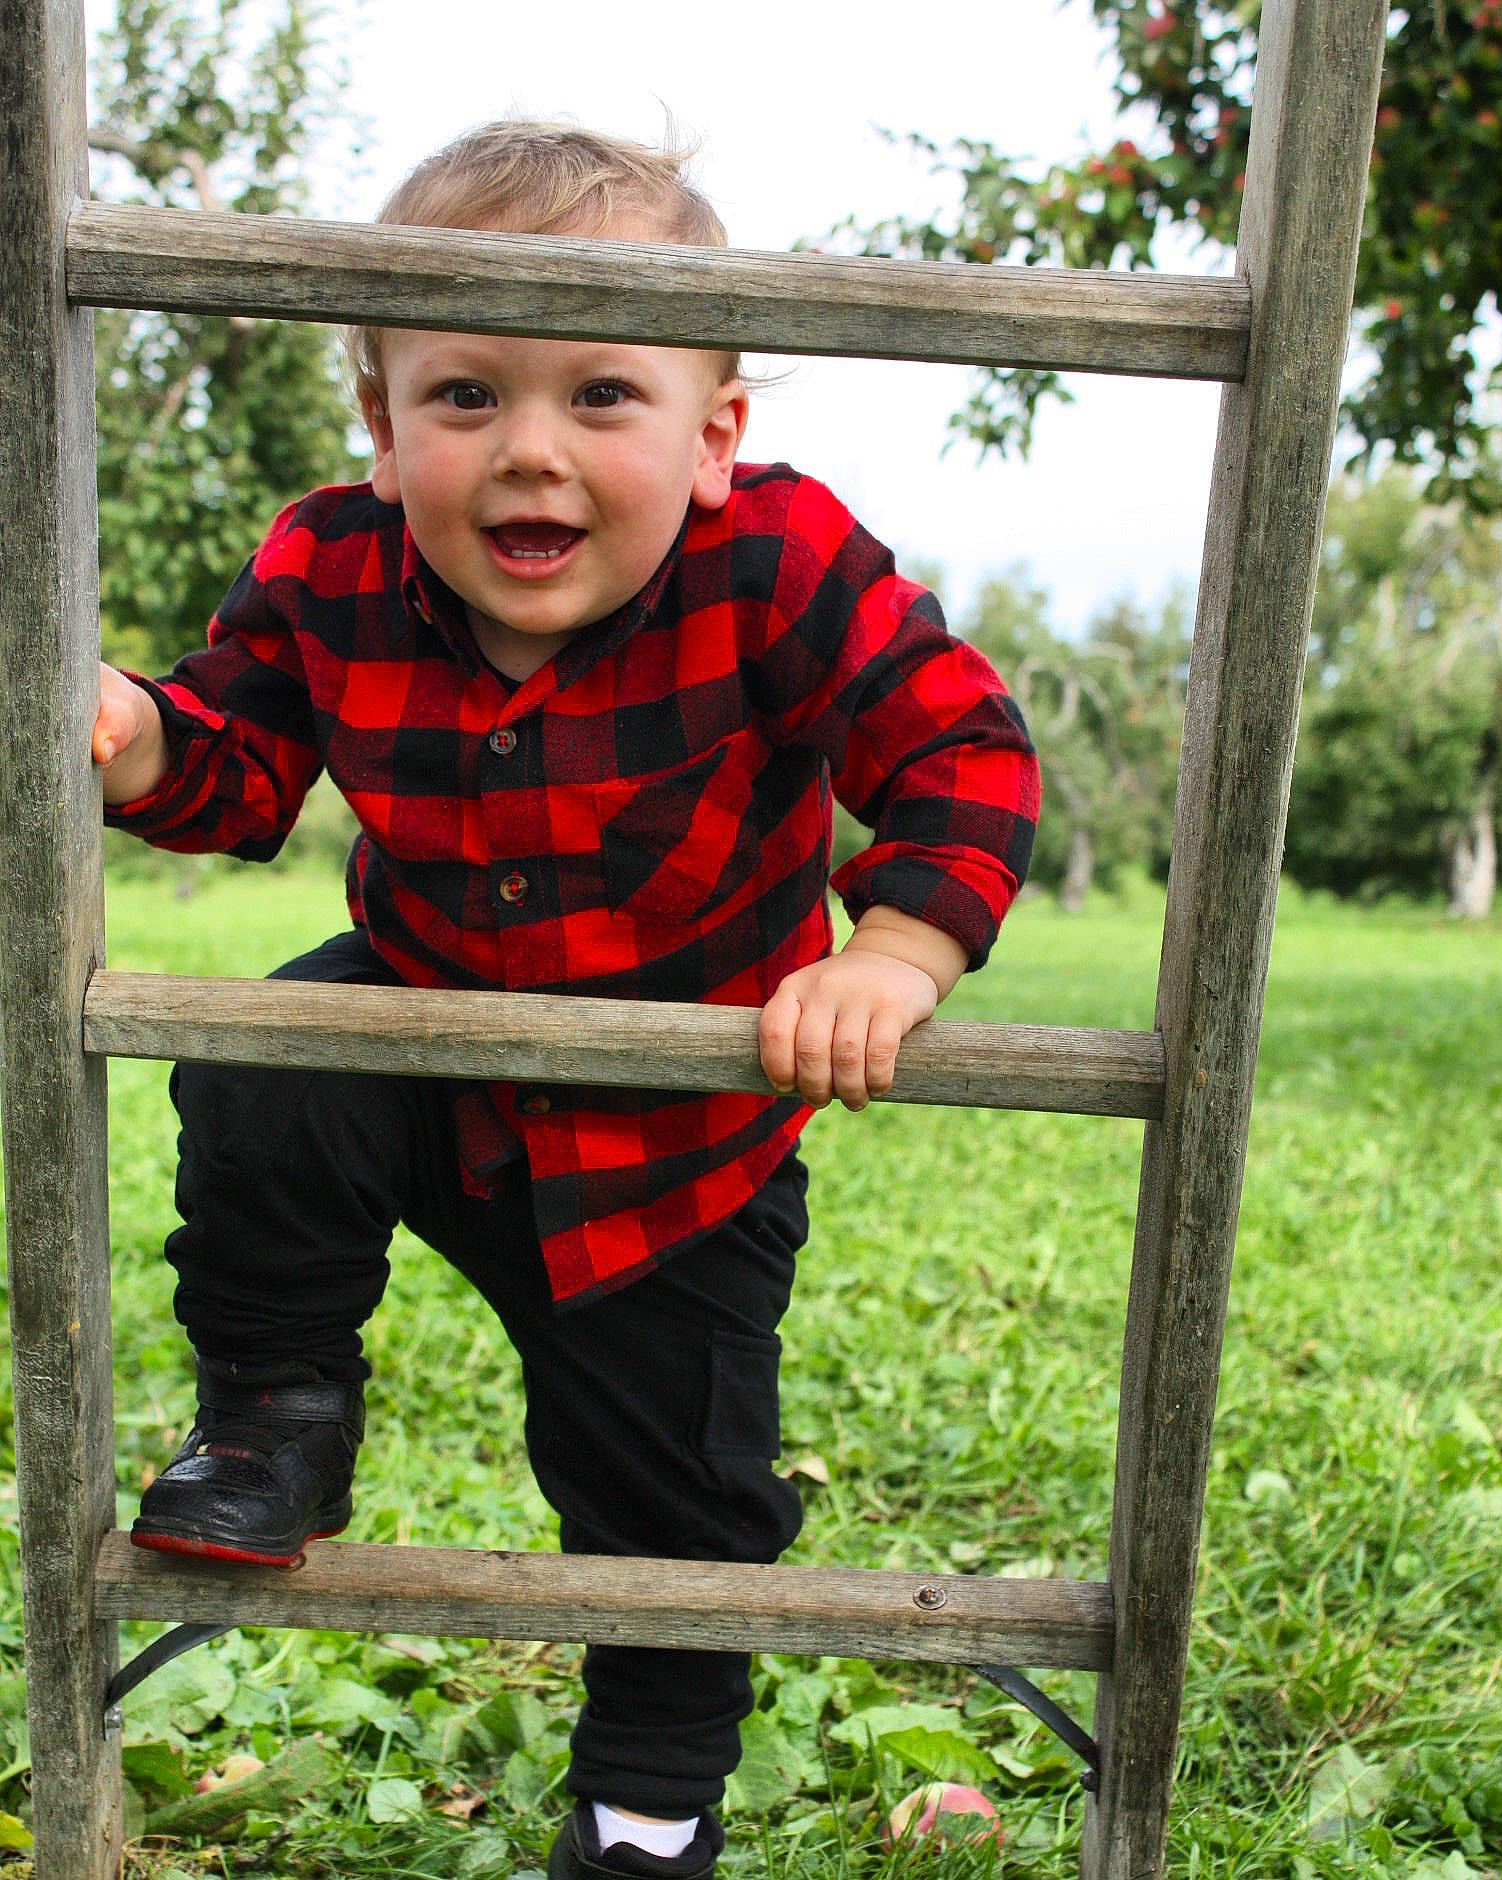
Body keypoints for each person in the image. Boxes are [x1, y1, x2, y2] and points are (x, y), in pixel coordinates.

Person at [93, 120, 1039, 1880]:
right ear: (382, 427)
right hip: (427, 1052)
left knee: (680, 1506)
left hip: (682, 1145)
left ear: (715, 433)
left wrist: (893, 954)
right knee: (266, 1054)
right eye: (465, 395)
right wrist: (134, 730)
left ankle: (643, 1818)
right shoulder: (328, 568)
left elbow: (960, 750)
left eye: (603, 393)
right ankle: (275, 1412)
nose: (530, 449)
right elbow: (237, 765)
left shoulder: (780, 562)